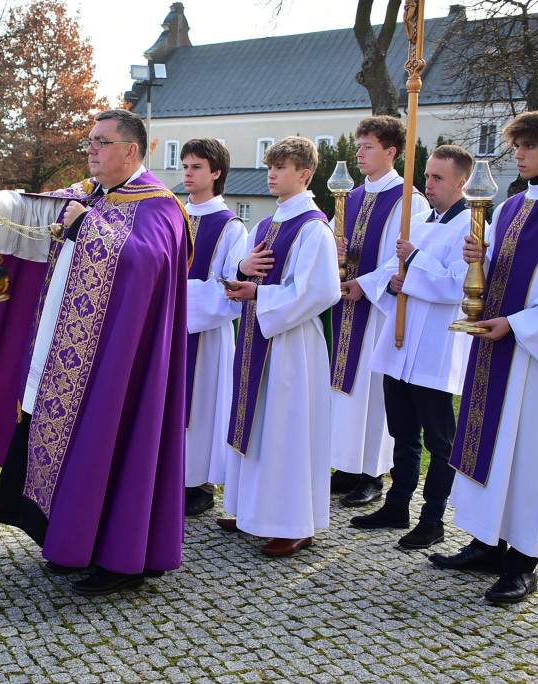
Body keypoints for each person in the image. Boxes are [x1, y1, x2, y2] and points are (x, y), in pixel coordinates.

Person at [0, 109, 190, 596]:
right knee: (65, 438)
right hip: (66, 349)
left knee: (108, 441)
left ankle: (120, 558)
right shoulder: (90, 193)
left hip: (117, 364)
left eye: (101, 142)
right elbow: (37, 210)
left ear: (131, 151)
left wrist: (90, 231)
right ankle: (70, 541)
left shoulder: (160, 206)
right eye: (89, 141)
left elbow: (145, 261)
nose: (90, 150)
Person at [430, 109, 538, 604]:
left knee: (528, 453)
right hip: (494, 347)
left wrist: (517, 324)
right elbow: (499, 272)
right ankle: (487, 542)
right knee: (487, 444)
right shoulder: (510, 207)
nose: (521, 155)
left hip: (535, 359)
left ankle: (523, 561)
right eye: (519, 145)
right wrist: (477, 262)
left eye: (531, 146)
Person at [214, 136, 341, 556]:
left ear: (304, 175)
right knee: (256, 424)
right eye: (270, 166)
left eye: (281, 168)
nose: (271, 174)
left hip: (292, 347)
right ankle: (249, 508)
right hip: (257, 338)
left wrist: (260, 297)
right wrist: (238, 275)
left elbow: (321, 291)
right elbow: (242, 271)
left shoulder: (314, 228)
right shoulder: (267, 224)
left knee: (286, 431)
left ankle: (294, 522)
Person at [350, 145, 474, 548]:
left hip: (436, 345)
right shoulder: (418, 218)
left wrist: (415, 265)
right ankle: (397, 502)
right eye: (428, 175)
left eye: (439, 178)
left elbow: (461, 285)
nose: (428, 184)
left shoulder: (471, 226)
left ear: (461, 182)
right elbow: (391, 268)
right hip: (401, 342)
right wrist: (384, 282)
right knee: (402, 429)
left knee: (440, 440)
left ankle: (433, 518)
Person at [330, 115, 429, 507]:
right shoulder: (350, 196)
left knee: (373, 394)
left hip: (377, 313)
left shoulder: (408, 201)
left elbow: (400, 259)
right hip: (344, 308)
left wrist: (365, 284)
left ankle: (373, 473)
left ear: (391, 151)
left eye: (368, 146)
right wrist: (334, 253)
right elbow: (338, 244)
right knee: (343, 389)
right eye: (358, 146)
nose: (359, 153)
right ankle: (346, 465)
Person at [181, 138, 246, 517]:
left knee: (203, 405)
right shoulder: (174, 215)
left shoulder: (230, 226)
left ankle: (200, 482)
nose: (188, 173)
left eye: (197, 167)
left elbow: (230, 288)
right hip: (168, 334)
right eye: (186, 166)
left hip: (206, 335)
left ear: (216, 173)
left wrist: (175, 302)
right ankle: (170, 475)